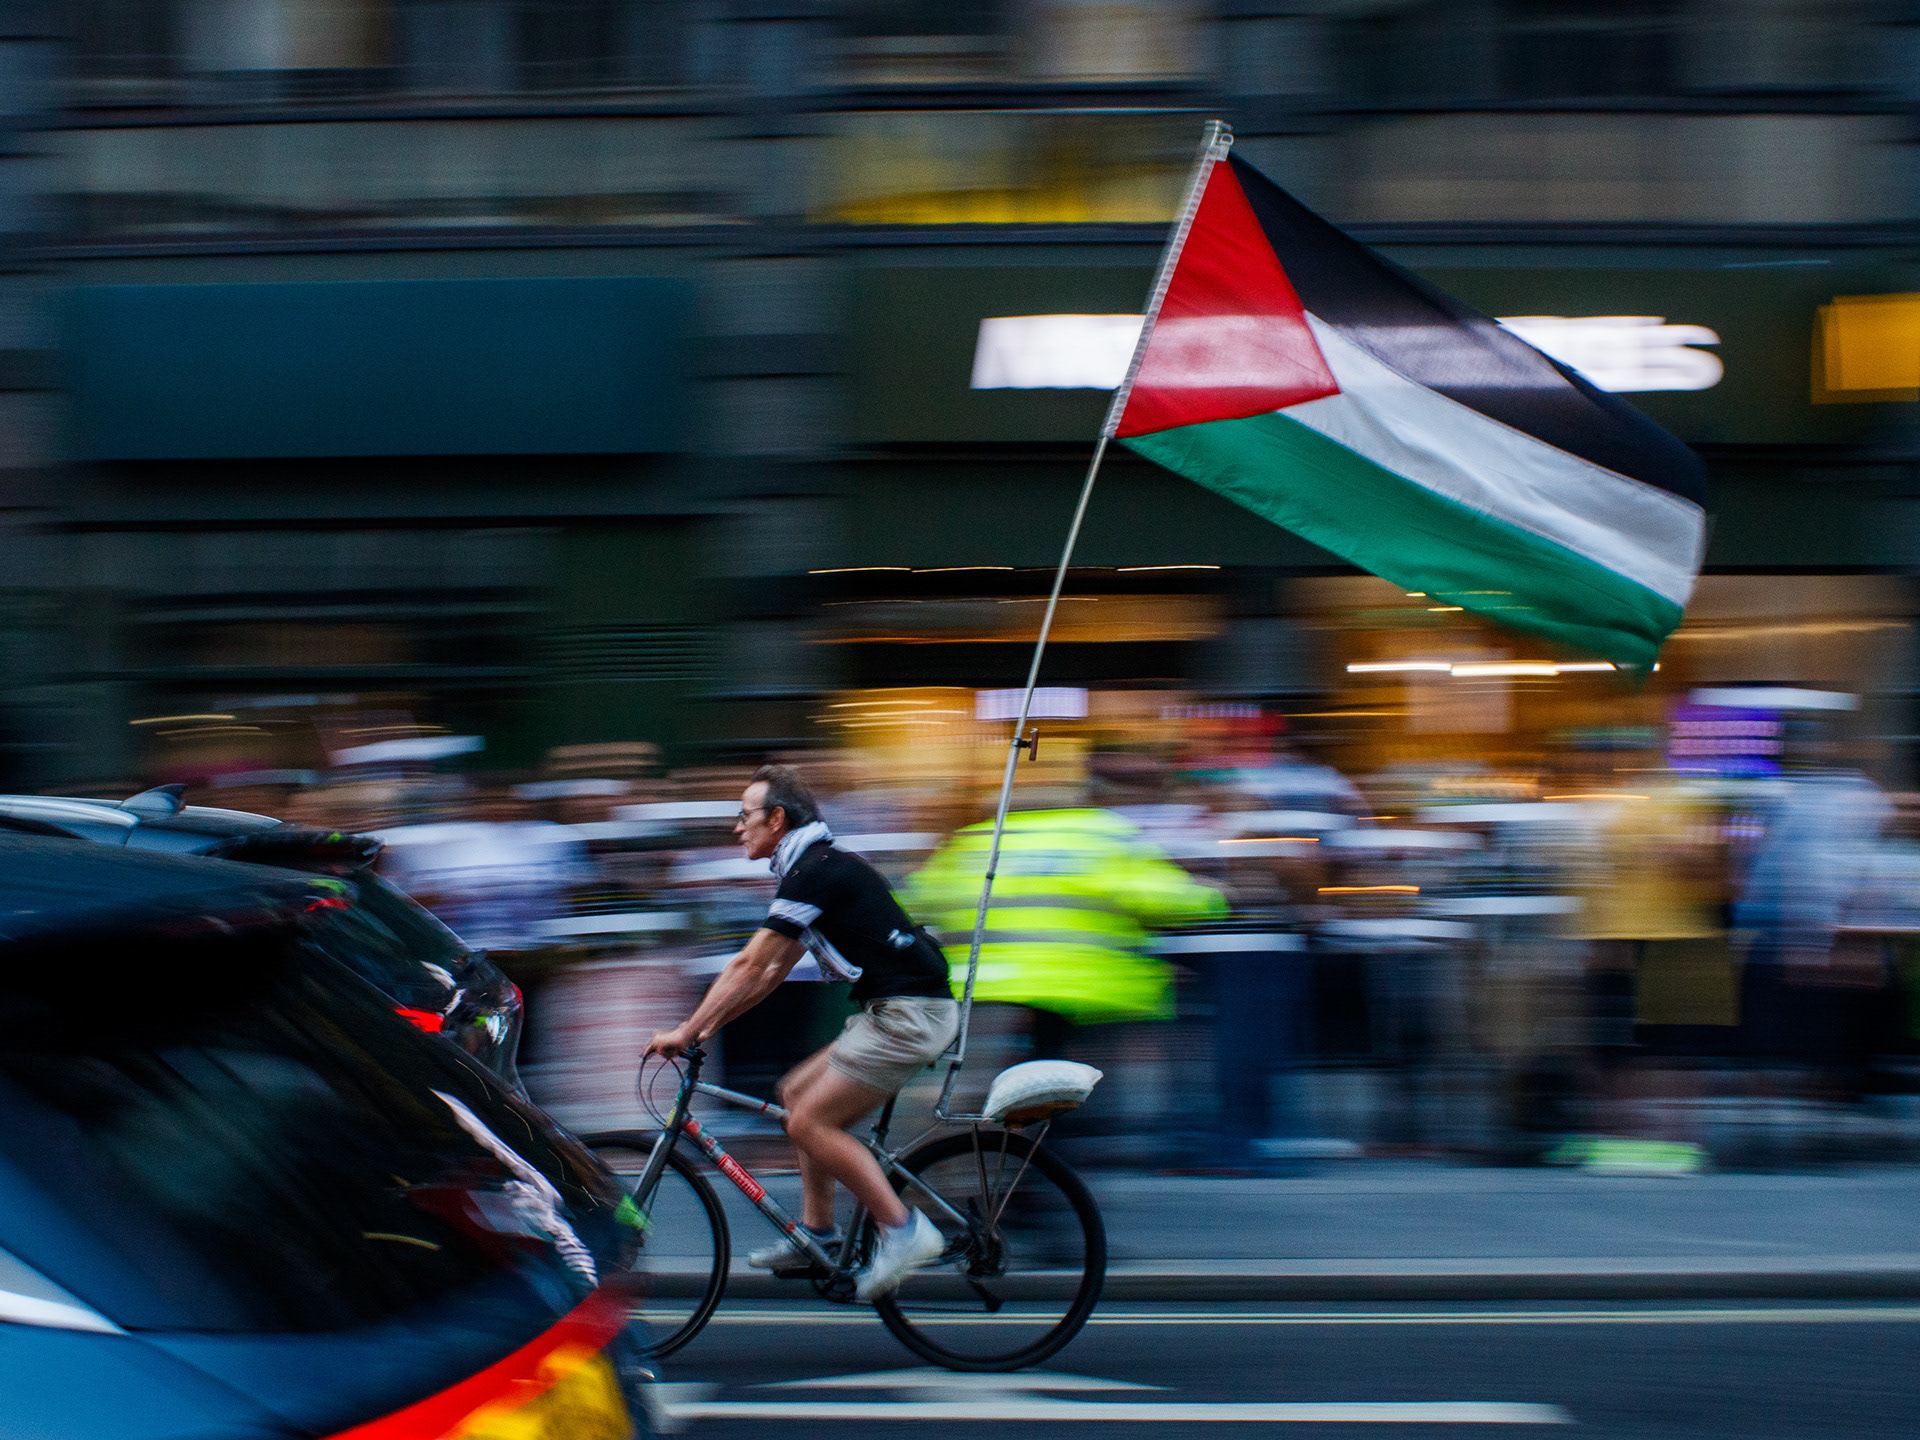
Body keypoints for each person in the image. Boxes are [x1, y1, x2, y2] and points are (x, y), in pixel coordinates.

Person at [644, 764, 958, 1301]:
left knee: (811, 1122)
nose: (737, 828)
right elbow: (771, 971)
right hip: (896, 1012)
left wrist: (686, 1029)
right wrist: (706, 1030)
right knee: (794, 1096)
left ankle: (903, 1231)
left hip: (909, 1018)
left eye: (744, 816)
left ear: (777, 818)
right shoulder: (809, 868)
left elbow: (748, 962)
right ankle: (820, 1233)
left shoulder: (814, 871)